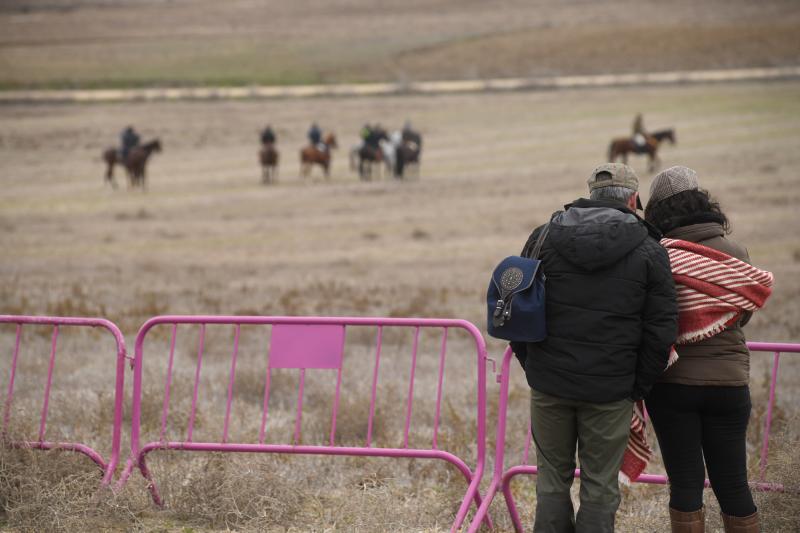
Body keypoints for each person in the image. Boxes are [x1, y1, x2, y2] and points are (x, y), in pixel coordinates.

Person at [511, 162, 678, 533]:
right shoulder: (651, 249)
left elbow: (518, 309)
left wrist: (534, 367)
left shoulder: (544, 236)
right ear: (634, 199)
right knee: (600, 486)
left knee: (550, 480)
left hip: (550, 384)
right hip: (611, 389)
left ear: (590, 194)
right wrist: (637, 384)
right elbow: (661, 329)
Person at [643, 166, 773, 533]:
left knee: (685, 486)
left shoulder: (658, 254)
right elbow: (740, 314)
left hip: (673, 384)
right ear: (701, 200)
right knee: (733, 484)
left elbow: (655, 318)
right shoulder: (734, 251)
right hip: (730, 384)